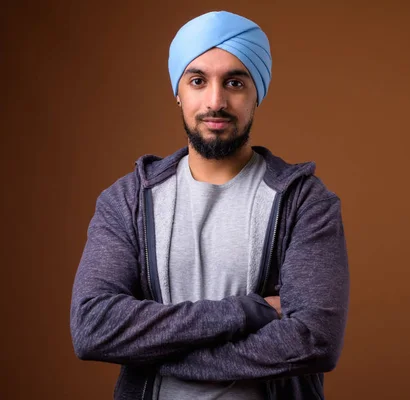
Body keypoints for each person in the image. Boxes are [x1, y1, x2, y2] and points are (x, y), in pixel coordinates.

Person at [70, 10, 349, 400]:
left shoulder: (304, 202)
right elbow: (93, 327)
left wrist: (158, 354)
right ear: (178, 91)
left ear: (257, 93)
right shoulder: (128, 200)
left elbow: (314, 340)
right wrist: (250, 312)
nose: (215, 101)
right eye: (198, 80)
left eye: (234, 82)